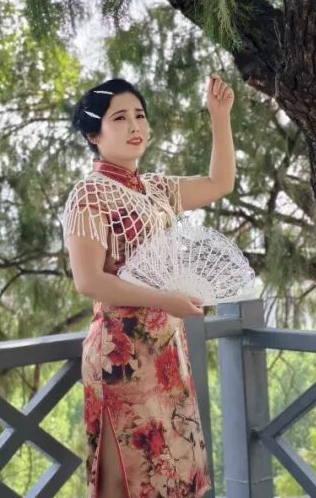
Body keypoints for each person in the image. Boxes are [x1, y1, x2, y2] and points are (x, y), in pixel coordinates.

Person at [60, 75, 236, 497]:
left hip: (167, 349)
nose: (134, 125)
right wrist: (165, 299)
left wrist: (220, 117)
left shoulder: (157, 189)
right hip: (120, 352)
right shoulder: (89, 194)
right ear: (94, 135)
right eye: (119, 118)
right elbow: (89, 280)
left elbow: (220, 183)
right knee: (125, 479)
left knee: (173, 473)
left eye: (139, 115)